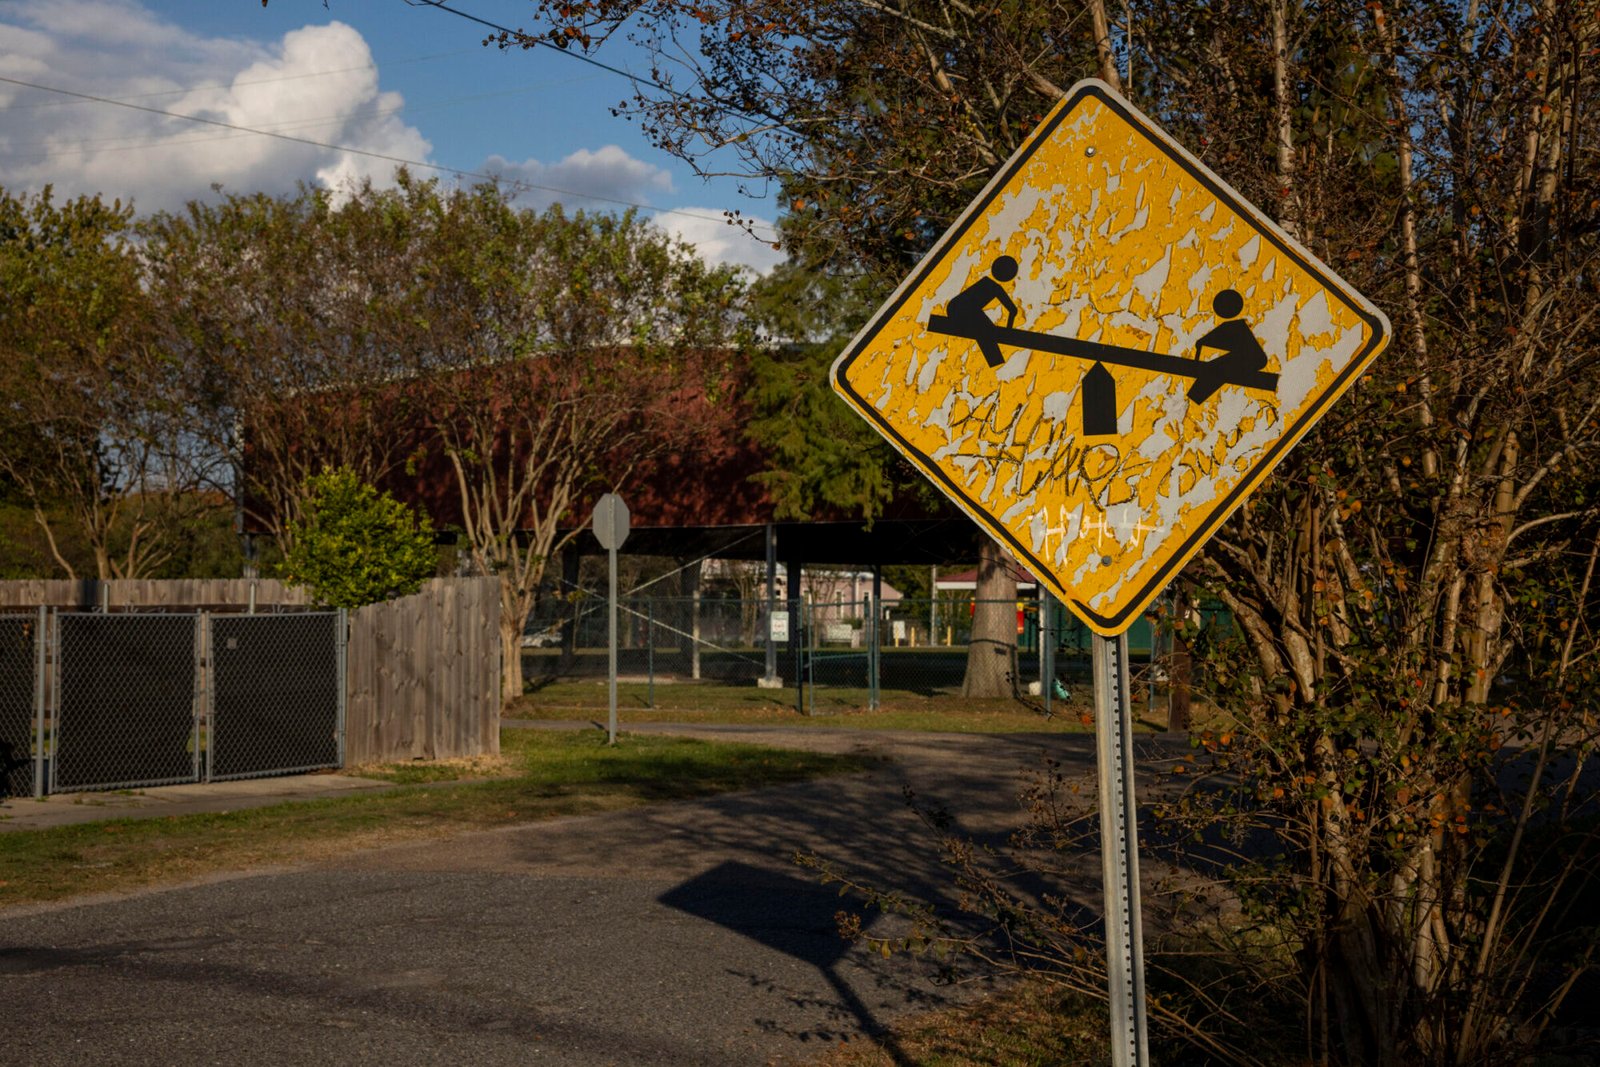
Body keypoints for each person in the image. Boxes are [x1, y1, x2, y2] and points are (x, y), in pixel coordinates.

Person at [1189, 288, 1268, 403]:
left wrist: (1200, 344)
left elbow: (1209, 339)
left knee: (1215, 369)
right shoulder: (1234, 326)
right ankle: (1192, 399)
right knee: (1215, 368)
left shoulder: (1236, 327)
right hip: (1249, 359)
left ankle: (1193, 398)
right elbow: (1207, 340)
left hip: (1254, 359)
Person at [944, 255, 1019, 367]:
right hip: (962, 310)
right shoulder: (992, 286)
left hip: (957, 308)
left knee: (986, 329)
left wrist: (1008, 330)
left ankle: (995, 364)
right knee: (986, 329)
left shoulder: (987, 282)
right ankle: (996, 364)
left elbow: (1013, 310)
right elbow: (1012, 310)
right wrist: (1008, 330)